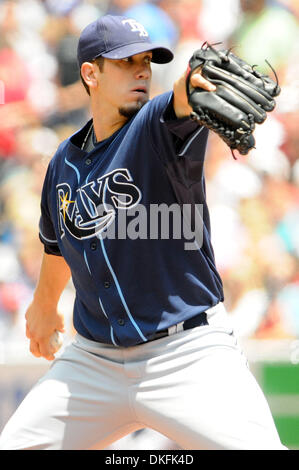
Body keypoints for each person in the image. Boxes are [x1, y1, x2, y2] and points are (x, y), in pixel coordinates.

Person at [0, 15, 286, 450]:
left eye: (147, 62)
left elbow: (181, 99)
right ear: (90, 73)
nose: (142, 70)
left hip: (186, 354)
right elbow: (58, 242)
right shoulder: (63, 162)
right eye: (126, 61)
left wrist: (195, 82)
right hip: (93, 361)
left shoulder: (155, 125)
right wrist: (43, 305)